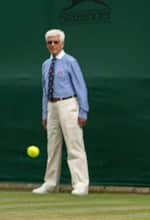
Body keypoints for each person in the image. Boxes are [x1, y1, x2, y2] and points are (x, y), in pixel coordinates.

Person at [32, 29, 90, 196]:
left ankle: (81, 184)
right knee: (52, 146)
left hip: (68, 103)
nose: (52, 45)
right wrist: (45, 114)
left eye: (55, 42)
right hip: (52, 106)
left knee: (75, 145)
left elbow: (81, 87)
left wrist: (83, 111)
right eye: (49, 42)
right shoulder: (45, 64)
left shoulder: (71, 62)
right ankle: (50, 183)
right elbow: (44, 90)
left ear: (62, 43)